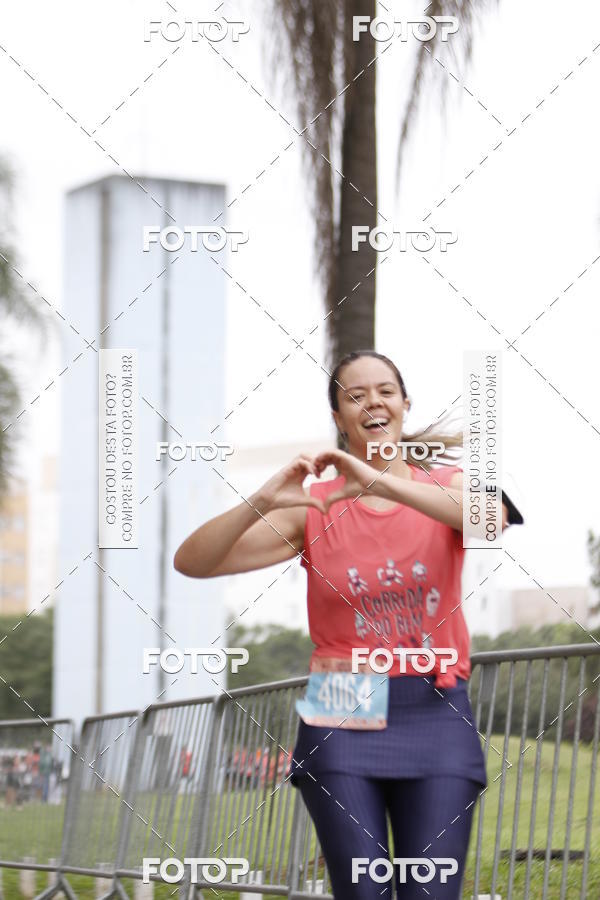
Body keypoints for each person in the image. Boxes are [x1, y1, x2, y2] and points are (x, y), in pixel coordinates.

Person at [174, 350, 523, 899]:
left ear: (405, 404)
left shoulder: (448, 485)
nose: (372, 402)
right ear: (339, 417)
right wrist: (261, 499)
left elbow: (491, 520)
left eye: (385, 390)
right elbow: (192, 561)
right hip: (342, 699)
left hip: (434, 704)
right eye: (354, 395)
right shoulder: (314, 507)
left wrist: (383, 483)